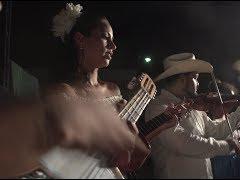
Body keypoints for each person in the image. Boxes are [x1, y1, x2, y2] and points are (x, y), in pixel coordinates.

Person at [0, 3, 140, 178]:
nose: (113, 46)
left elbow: (123, 160)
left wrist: (129, 139)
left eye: (113, 40)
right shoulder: (61, 92)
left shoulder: (114, 90)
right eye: (106, 37)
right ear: (80, 40)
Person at [144, 52, 240, 178]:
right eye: (195, 78)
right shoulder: (158, 107)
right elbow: (183, 143)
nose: (198, 83)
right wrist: (227, 145)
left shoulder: (193, 106)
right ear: (182, 79)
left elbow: (216, 131)